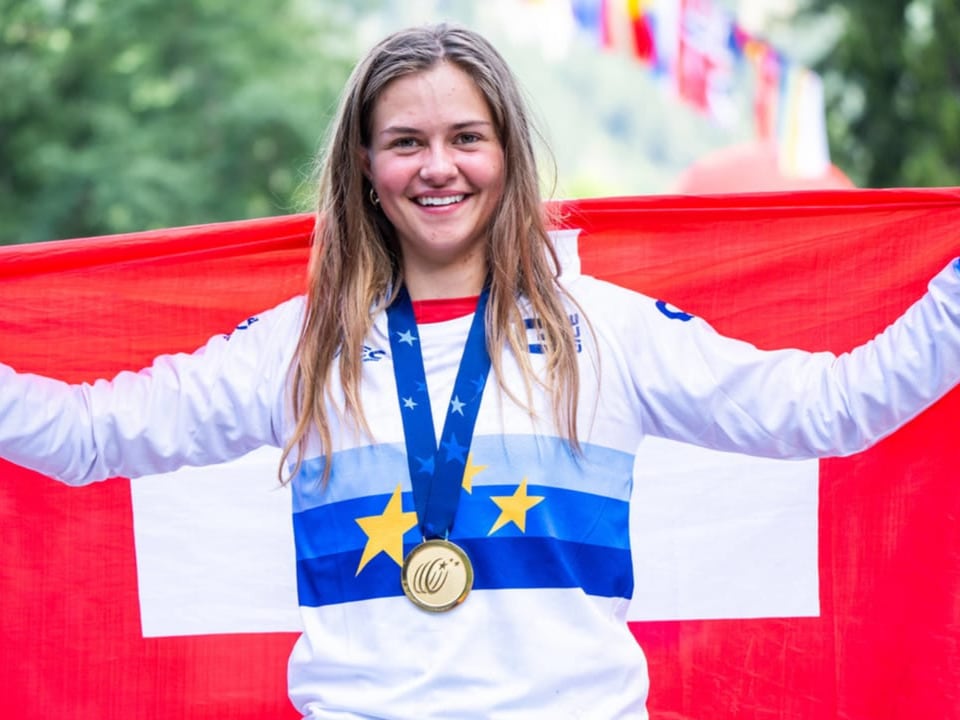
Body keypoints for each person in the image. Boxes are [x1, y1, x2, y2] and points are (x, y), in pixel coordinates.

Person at [1, 22, 959, 720]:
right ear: (363, 167)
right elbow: (90, 436)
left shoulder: (609, 331)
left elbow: (834, 410)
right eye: (406, 142)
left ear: (506, 153)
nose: (438, 168)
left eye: (466, 137)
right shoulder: (299, 346)